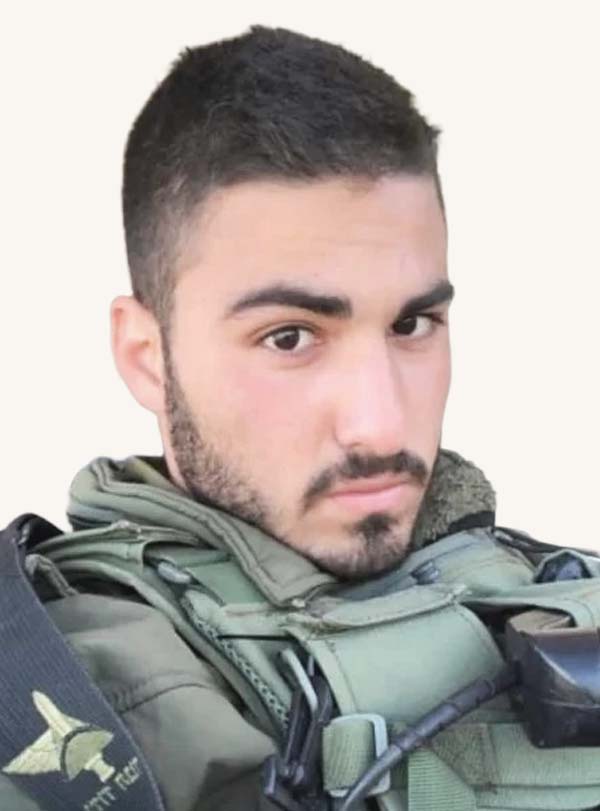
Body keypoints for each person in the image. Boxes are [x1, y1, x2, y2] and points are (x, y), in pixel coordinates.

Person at [3, 23, 598, 811]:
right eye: (290, 337)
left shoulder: (551, 589)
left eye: (411, 324)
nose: (380, 425)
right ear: (148, 357)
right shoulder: (44, 690)